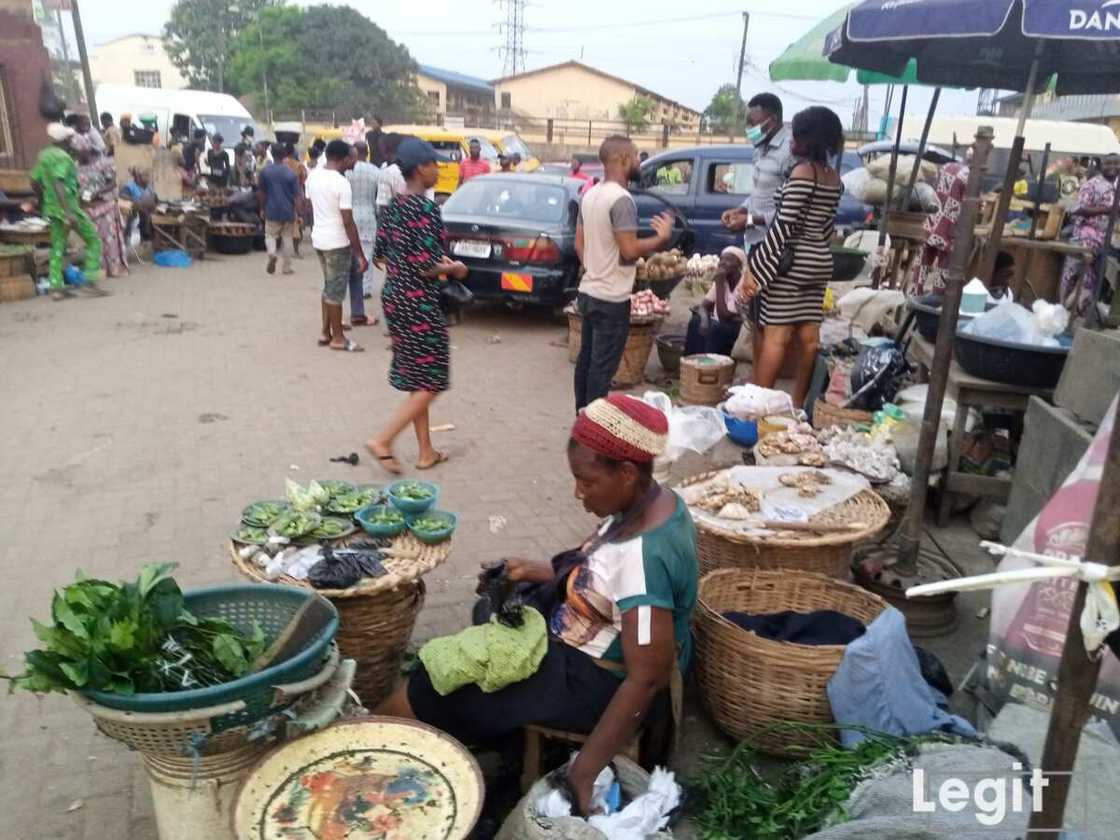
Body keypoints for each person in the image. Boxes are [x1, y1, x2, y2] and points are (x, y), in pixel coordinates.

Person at [375, 394, 697, 817]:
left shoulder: (643, 561)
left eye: (587, 481)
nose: (578, 492)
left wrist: (584, 772)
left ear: (626, 472)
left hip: (597, 684)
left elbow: (646, 679)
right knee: (491, 611)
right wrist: (532, 570)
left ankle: (389, 736)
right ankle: (494, 730)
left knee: (430, 686)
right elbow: (599, 568)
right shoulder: (655, 501)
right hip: (590, 641)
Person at [367, 138, 468, 474]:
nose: (438, 170)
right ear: (420, 169)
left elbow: (380, 255)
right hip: (418, 302)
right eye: (434, 165)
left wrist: (415, 264)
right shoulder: (425, 209)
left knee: (417, 377)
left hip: (394, 296)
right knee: (433, 380)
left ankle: (426, 451)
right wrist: (453, 268)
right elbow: (427, 267)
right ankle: (383, 440)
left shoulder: (394, 207)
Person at [740, 106, 844, 409]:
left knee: (777, 337)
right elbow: (826, 229)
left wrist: (756, 271)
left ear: (809, 139)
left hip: (792, 265)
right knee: (810, 338)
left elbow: (783, 227)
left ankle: (758, 407)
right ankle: (796, 406)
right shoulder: (833, 178)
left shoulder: (802, 173)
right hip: (819, 263)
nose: (792, 139)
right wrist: (817, 255)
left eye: (797, 134)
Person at [574, 136, 674, 411]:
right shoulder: (622, 199)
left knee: (587, 360)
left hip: (589, 292)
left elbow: (579, 245)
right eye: (636, 156)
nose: (639, 161)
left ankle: (581, 417)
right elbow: (629, 250)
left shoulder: (590, 195)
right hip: (611, 299)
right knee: (602, 367)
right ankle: (593, 428)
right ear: (623, 159)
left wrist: (595, 266)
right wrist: (660, 238)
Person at [720, 92, 793, 364]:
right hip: (754, 242)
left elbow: (789, 208)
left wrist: (750, 220)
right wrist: (740, 209)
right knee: (754, 311)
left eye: (753, 121)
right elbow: (760, 195)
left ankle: (764, 378)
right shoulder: (759, 148)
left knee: (768, 316)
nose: (748, 128)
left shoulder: (789, 152)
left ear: (771, 119)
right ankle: (758, 374)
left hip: (774, 245)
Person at [29, 123, 105, 301]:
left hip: (52, 209)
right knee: (94, 240)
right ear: (65, 141)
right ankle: (89, 281)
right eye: (70, 139)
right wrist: (68, 211)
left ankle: (56, 288)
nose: (71, 141)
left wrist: (43, 200)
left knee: (57, 247)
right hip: (68, 208)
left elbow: (33, 181)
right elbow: (58, 182)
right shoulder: (63, 158)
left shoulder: (44, 155)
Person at [307, 139, 367, 352]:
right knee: (335, 292)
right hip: (336, 243)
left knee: (329, 286)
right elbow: (348, 221)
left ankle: (326, 332)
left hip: (319, 240)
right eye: (352, 157)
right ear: (342, 159)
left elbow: (308, 206)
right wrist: (360, 253)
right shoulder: (341, 183)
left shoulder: (313, 176)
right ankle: (338, 338)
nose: (355, 160)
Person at [1060, 153, 1119, 318]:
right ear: (1102, 166)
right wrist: (1108, 210)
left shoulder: (1114, 187)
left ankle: (1078, 317)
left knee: (1090, 282)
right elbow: (1077, 208)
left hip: (1103, 242)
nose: (1113, 167)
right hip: (1084, 240)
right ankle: (1062, 313)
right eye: (1109, 163)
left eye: (1117, 163)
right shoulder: (1092, 184)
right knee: (1072, 277)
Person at [912, 157, 970, 296]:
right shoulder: (969, 176)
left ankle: (915, 292)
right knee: (944, 265)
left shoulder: (946, 166)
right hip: (948, 225)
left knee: (923, 260)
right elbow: (972, 204)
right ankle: (936, 297)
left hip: (932, 219)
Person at [685, 247, 746, 356]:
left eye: (728, 260)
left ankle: (709, 365)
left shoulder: (743, 284)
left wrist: (719, 283)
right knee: (695, 322)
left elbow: (724, 316)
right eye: (721, 259)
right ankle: (691, 362)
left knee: (716, 328)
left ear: (739, 265)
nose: (722, 263)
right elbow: (703, 306)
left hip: (739, 327)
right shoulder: (723, 278)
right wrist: (704, 321)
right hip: (723, 322)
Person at [346, 140, 381, 324]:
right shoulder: (375, 171)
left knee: (350, 250)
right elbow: (378, 196)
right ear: (367, 152)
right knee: (366, 252)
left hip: (350, 213)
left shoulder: (346, 171)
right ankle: (365, 288)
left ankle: (349, 288)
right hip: (368, 214)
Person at [257, 142, 299, 276]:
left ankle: (271, 253)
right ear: (284, 155)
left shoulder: (265, 171)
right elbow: (297, 196)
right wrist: (296, 211)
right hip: (288, 210)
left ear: (272, 155)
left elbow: (262, 193)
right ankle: (286, 267)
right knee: (287, 238)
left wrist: (262, 208)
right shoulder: (291, 173)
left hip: (271, 209)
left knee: (270, 235)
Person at [120, 167, 156, 243]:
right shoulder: (130, 186)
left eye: (148, 176)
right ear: (139, 177)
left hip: (148, 211)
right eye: (146, 176)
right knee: (140, 214)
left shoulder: (149, 187)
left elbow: (154, 198)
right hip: (135, 211)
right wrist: (135, 200)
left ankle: (148, 239)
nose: (148, 178)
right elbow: (122, 195)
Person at [375, 134, 407, 219]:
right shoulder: (418, 169)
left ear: (386, 149)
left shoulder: (387, 172)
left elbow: (384, 205)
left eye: (380, 147)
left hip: (394, 223)